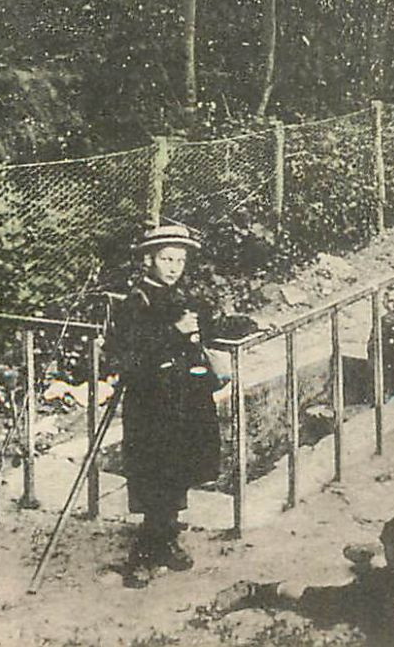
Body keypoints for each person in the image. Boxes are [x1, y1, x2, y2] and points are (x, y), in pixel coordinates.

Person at [104, 222, 223, 588]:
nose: (173, 267)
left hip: (184, 397)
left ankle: (167, 536)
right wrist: (175, 333)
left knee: (179, 467)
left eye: (179, 260)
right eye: (166, 259)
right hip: (152, 400)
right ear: (149, 260)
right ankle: (144, 552)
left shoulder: (179, 296)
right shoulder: (136, 301)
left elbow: (201, 332)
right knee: (154, 471)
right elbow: (128, 355)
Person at [212, 512, 394, 645]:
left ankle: (368, 555)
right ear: (391, 555)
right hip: (378, 589)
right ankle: (254, 590)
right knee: (318, 600)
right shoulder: (378, 586)